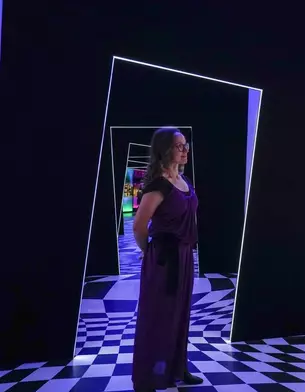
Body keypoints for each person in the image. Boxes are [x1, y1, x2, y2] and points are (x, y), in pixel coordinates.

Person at [131, 127, 202, 391]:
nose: (185, 150)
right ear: (164, 149)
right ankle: (151, 374)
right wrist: (146, 251)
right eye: (179, 146)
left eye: (186, 145)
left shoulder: (183, 181)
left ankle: (177, 367)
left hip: (184, 256)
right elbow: (139, 225)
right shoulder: (158, 184)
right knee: (159, 316)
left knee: (181, 314)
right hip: (164, 258)